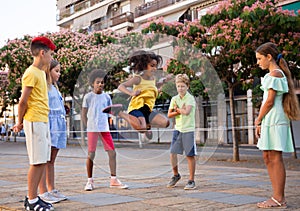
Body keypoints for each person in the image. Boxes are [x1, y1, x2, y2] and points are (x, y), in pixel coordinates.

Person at [255, 42, 300, 209]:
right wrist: (261, 120)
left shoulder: (275, 75)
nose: (258, 62)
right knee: (267, 156)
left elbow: (269, 102)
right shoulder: (272, 75)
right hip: (270, 120)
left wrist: (258, 119)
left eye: (260, 59)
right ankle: (276, 196)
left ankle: (278, 198)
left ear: (269, 57)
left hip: (274, 119)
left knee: (274, 157)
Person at [13, 36, 56, 211]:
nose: (51, 58)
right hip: (34, 120)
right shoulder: (31, 72)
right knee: (36, 161)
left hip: (42, 120)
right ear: (42, 52)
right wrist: (19, 122)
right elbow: (23, 101)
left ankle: (35, 198)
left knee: (43, 160)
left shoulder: (40, 72)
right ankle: (31, 201)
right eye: (50, 54)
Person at [103, 50, 170, 140]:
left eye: (156, 66)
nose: (155, 69)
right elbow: (121, 86)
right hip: (137, 107)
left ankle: (146, 125)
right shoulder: (138, 79)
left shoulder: (152, 80)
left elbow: (151, 87)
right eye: (152, 66)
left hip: (147, 109)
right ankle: (118, 112)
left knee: (166, 123)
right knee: (141, 129)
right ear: (144, 66)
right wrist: (131, 93)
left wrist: (163, 82)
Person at [82, 69, 128, 191]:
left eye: (102, 82)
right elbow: (83, 114)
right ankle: (89, 181)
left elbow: (109, 112)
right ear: (93, 83)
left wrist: (109, 123)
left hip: (104, 129)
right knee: (91, 154)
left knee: (112, 153)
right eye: (98, 82)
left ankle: (113, 179)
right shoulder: (88, 97)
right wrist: (88, 126)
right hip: (92, 129)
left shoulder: (107, 97)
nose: (100, 84)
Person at [38, 59, 67, 203]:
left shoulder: (55, 88)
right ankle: (42, 192)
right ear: (48, 72)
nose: (59, 74)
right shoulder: (44, 87)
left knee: (51, 161)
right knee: (44, 159)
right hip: (50, 124)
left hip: (59, 125)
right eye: (56, 71)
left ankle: (51, 188)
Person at [166, 74, 197, 190]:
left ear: (187, 86)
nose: (180, 88)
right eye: (178, 86)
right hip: (177, 129)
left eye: (182, 86)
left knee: (190, 155)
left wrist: (177, 109)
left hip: (188, 130)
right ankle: (175, 175)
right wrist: (180, 110)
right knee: (172, 153)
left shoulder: (190, 98)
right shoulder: (174, 99)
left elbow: (187, 112)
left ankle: (191, 180)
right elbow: (169, 114)